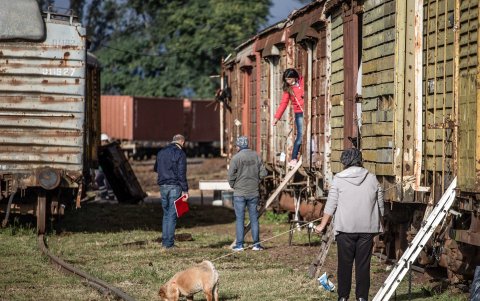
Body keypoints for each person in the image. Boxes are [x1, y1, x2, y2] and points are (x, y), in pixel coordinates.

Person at [314, 148, 384, 301]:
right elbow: (380, 203)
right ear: (360, 160)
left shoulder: (338, 179)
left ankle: (343, 297)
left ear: (345, 162)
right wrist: (380, 222)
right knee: (363, 266)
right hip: (367, 230)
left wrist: (321, 225)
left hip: (345, 229)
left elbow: (331, 205)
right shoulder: (372, 178)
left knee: (344, 265)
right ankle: (362, 298)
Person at [228, 136, 268, 251]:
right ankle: (256, 245)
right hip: (253, 193)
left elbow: (230, 176)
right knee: (254, 219)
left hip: (239, 193)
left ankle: (240, 245)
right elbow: (263, 173)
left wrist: (234, 185)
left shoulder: (236, 158)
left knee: (240, 219)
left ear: (238, 146)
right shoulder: (256, 156)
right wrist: (257, 181)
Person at [154, 134, 189, 249]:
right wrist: (185, 190)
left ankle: (165, 242)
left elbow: (156, 168)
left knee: (166, 214)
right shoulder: (180, 153)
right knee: (172, 215)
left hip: (163, 186)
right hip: (175, 186)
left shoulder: (161, 152)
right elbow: (181, 173)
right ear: (182, 142)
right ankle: (169, 244)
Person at [273, 68, 304, 167]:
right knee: (300, 135)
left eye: (289, 79)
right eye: (286, 80)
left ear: (295, 77)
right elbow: (283, 104)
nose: (288, 81)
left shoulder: (303, 82)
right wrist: (276, 118)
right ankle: (294, 158)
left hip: (309, 111)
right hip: (299, 113)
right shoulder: (288, 90)